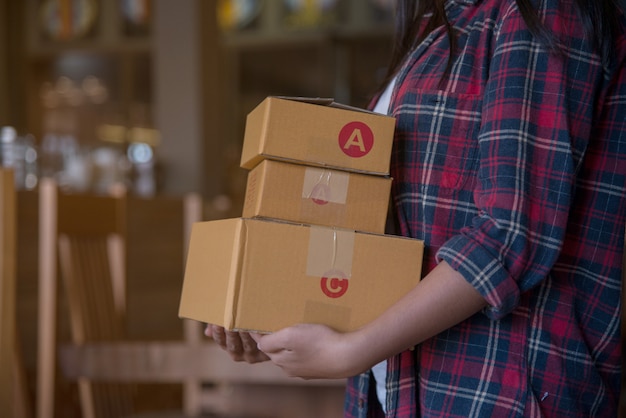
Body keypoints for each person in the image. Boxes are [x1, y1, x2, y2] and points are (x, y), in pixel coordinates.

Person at [206, 0, 626, 416]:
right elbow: (384, 237)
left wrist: (351, 350)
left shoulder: (540, 10)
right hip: (396, 390)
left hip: (499, 387)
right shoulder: (435, 26)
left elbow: (509, 233)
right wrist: (279, 317)